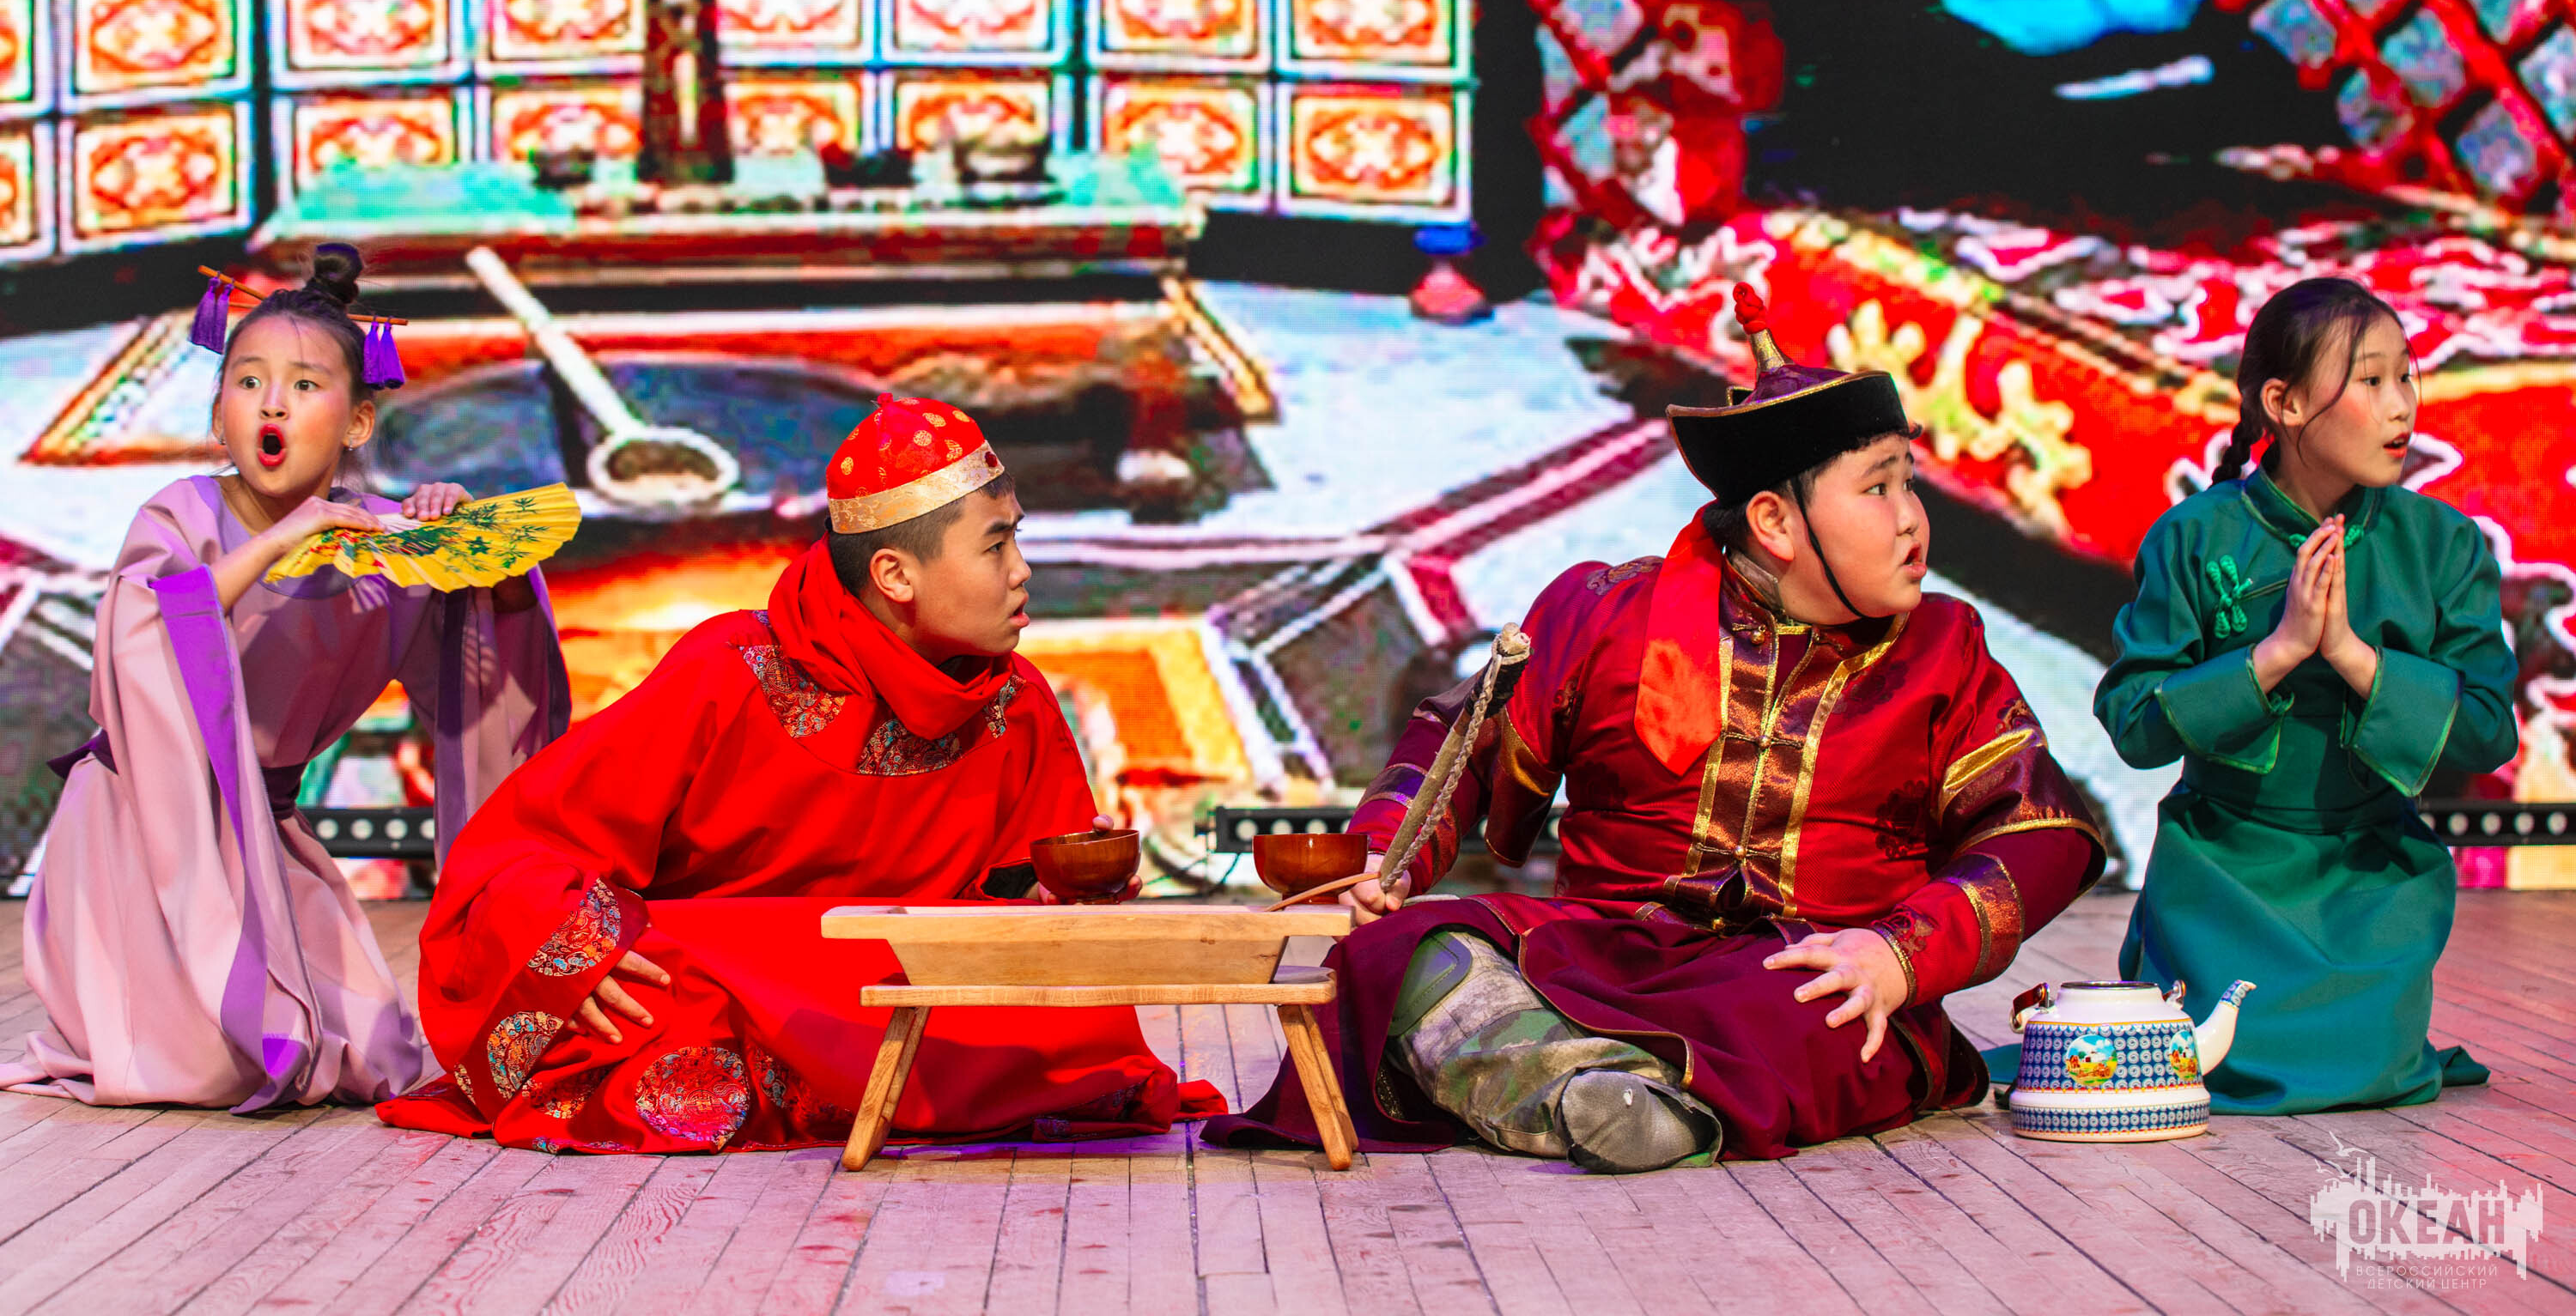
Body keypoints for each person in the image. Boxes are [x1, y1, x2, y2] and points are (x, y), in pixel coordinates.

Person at [1204, 286, 2105, 1173]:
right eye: (1879, 488)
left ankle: (1562, 1088)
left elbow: (2041, 832)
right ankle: (1605, 1094)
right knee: (1401, 952)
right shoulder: (1605, 613)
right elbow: (1463, 741)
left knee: (1820, 1014)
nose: (1912, 520)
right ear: (1775, 521)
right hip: (1598, 952)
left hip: (1803, 967)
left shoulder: (1944, 649)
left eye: (1911, 483)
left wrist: (1899, 952)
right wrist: (1384, 856)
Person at [379, 397, 1223, 1154]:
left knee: (1075, 1024)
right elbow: (524, 847)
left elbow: (1012, 906)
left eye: (1017, 538)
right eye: (996, 544)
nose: (1021, 569)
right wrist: (577, 950)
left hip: (910, 978)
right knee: (647, 984)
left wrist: (1058, 906)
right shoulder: (731, 669)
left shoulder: (1017, 703)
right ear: (895, 575)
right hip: (728, 977)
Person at [0, 246, 568, 1111]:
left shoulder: (379, 545)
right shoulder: (181, 513)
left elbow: (486, 662)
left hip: (262, 830)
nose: (273, 402)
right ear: (219, 414)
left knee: (376, 1055)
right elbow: (142, 636)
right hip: (145, 826)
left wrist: (466, 554)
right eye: (249, 381)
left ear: (358, 423)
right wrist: (274, 543)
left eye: (305, 385)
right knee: (217, 1063)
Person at [2093, 276, 2517, 1112]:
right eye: (2371, 380)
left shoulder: (2443, 544)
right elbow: (2137, 726)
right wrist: (2278, 652)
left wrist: (2355, 657)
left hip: (2372, 878)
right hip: (2222, 872)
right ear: (2283, 403)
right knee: (2210, 1054)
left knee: (2371, 1069)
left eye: (2406, 376)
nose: (2401, 406)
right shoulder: (2193, 536)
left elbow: (2488, 731)